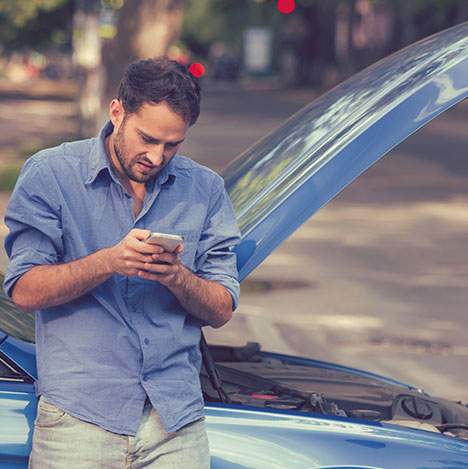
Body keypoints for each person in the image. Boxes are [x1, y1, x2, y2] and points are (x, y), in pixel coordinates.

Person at [3, 57, 240, 468]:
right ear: (117, 112)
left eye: (172, 145)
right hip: (77, 421)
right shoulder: (50, 174)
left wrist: (178, 277)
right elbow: (24, 290)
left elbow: (221, 308)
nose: (156, 155)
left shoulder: (205, 190)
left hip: (175, 423)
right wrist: (109, 261)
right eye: (147, 138)